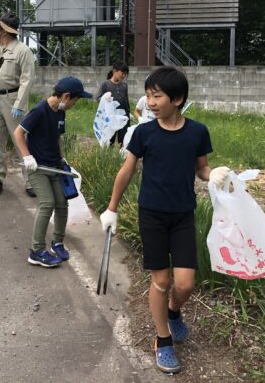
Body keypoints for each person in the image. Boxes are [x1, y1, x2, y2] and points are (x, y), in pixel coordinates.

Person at [100, 67, 230, 374]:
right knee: (161, 281)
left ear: (178, 99)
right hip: (152, 215)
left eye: (157, 96)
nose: (151, 102)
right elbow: (127, 171)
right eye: (147, 96)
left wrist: (216, 175)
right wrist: (112, 209)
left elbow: (202, 169)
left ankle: (174, 312)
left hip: (183, 215)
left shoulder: (197, 132)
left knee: (184, 284)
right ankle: (163, 339)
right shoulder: (144, 133)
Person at [13, 76, 92, 268]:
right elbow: (18, 133)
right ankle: (37, 251)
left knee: (62, 203)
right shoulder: (40, 110)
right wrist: (27, 157)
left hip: (54, 166)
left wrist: (62, 158)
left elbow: (57, 138)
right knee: (47, 203)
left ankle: (57, 242)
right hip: (38, 167)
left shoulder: (60, 112)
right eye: (76, 99)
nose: (75, 103)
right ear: (66, 96)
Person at [0, 14, 36, 198]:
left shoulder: (23, 50)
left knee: (21, 142)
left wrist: (20, 103)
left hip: (13, 100)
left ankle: (30, 181)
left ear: (4, 31)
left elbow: (27, 79)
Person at [96, 62, 130, 145]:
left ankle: (122, 156)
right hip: (110, 117)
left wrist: (128, 112)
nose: (123, 76)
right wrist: (105, 98)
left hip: (123, 116)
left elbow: (126, 100)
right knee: (109, 140)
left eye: (125, 74)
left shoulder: (124, 85)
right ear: (115, 71)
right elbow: (98, 99)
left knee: (123, 140)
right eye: (122, 73)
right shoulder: (106, 84)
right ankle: (107, 156)